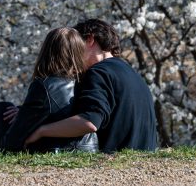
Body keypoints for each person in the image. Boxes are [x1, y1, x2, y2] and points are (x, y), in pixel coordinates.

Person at [24, 19, 158, 153]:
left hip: (116, 163)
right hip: (144, 158)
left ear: (90, 39)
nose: (73, 55)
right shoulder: (130, 72)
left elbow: (89, 121)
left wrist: (41, 130)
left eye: (76, 46)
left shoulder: (99, 72)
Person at [0, 27, 98, 153]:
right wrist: (22, 112)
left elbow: (13, 140)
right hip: (88, 149)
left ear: (47, 52)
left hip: (54, 150)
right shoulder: (90, 80)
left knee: (2, 108)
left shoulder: (45, 86)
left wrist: (22, 118)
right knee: (12, 111)